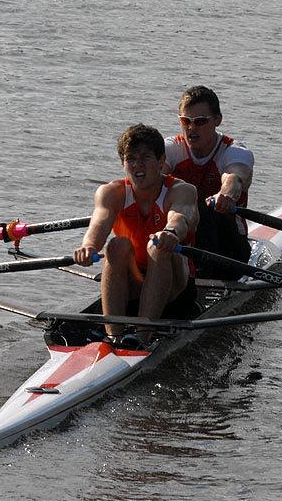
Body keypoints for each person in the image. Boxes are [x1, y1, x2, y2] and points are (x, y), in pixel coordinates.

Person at [74, 124, 199, 347]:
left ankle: (141, 336)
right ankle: (113, 335)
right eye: (131, 158)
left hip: (175, 291)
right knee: (116, 245)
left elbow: (180, 217)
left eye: (145, 157)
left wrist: (171, 232)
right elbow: (99, 223)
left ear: (161, 162)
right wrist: (89, 247)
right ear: (123, 164)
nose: (137, 165)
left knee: (157, 246)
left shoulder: (181, 190)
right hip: (135, 284)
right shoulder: (111, 192)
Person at [163, 85, 254, 279]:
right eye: (185, 121)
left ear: (217, 120)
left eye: (200, 121)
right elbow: (154, 175)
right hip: (181, 240)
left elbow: (234, 177)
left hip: (229, 250)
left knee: (203, 206)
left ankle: (202, 279)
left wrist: (227, 194)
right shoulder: (170, 149)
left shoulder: (234, 151)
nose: (191, 128)